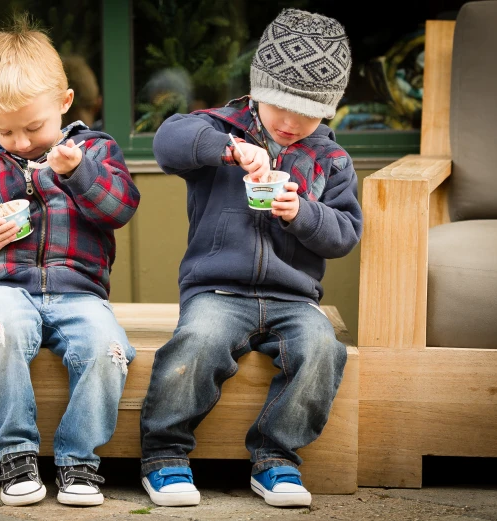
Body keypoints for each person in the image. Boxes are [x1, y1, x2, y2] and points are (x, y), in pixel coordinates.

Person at [139, 8, 362, 509]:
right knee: (196, 342)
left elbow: (345, 233)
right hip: (218, 290)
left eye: (307, 112)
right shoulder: (218, 127)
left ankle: (276, 456)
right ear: (257, 89)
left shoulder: (332, 159)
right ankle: (164, 455)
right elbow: (166, 143)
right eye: (279, 106)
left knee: (323, 349)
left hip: (293, 298)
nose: (289, 122)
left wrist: (302, 214)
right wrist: (228, 149)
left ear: (327, 110)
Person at [0, 15, 140, 508]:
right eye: (5, 131)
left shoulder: (95, 151)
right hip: (6, 289)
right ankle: (16, 455)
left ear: (65, 103)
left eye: (33, 127)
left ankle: (79, 460)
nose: (22, 143)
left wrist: (80, 173)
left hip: (79, 292)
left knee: (107, 348)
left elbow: (121, 208)